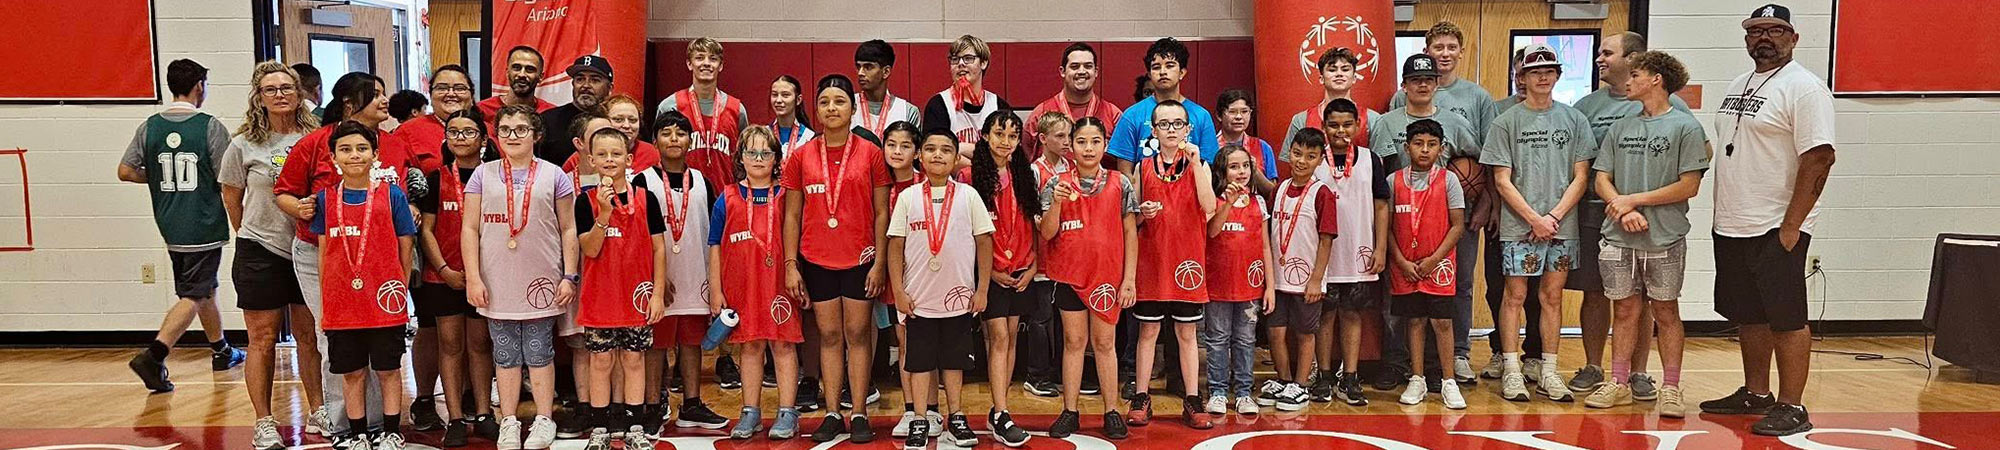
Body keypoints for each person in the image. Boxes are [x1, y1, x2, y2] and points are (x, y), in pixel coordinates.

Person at [1699, 4, 1837, 437]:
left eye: (1775, 31)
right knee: (1749, 314)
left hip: (1777, 225)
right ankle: (1756, 394)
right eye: (1756, 31)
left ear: (1793, 38)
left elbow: (1819, 157)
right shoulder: (1740, 83)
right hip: (1733, 222)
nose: (1764, 37)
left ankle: (1792, 405)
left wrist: (1793, 225)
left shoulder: (1805, 89)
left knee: (1787, 317)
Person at [274, 70, 418, 440]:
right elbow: (285, 193)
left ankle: (382, 427)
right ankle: (347, 426)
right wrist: (302, 208)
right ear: (351, 103)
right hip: (326, 253)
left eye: (385, 93)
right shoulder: (315, 143)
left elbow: (402, 200)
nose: (385, 100)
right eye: (376, 94)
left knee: (382, 351)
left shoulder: (395, 143)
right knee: (338, 341)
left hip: (381, 260)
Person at [1565, 32, 1693, 397]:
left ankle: (1640, 373)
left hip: (1655, 222)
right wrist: (1619, 206)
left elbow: (1694, 169)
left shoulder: (1678, 114)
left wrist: (1637, 202)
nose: (1599, 59)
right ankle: (1596, 367)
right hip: (1601, 215)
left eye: (1607, 53)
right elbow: (1595, 170)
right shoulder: (1589, 107)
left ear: (1635, 61)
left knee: (1651, 300)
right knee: (1599, 293)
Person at [118, 58, 245, 395]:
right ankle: (154, 354)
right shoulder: (209, 125)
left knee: (203, 289)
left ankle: (222, 351)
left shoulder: (150, 126)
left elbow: (126, 171)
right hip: (203, 222)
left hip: (170, 222)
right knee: (195, 293)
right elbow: (227, 178)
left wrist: (157, 179)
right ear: (200, 86)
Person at [1482, 43, 1595, 403]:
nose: (1543, 76)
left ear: (1558, 75)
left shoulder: (1574, 119)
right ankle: (1513, 370)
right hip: (1520, 227)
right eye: (1535, 71)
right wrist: (1533, 218)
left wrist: (1554, 216)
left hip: (1561, 227)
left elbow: (1581, 176)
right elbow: (1501, 179)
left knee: (1551, 297)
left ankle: (1548, 370)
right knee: (1514, 295)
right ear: (1523, 77)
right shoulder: (1505, 122)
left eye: (1549, 70)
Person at [783, 74, 893, 444]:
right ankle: (832, 411)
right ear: (815, 108)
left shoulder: (871, 153)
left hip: (861, 259)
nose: (832, 108)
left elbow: (882, 212)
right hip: (817, 260)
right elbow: (793, 215)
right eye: (825, 101)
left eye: (840, 101)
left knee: (858, 334)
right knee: (829, 336)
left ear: (852, 108)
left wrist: (879, 262)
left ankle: (858, 411)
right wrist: (790, 263)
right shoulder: (801, 155)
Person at [463, 105, 579, 450]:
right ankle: (509, 421)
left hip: (541, 279)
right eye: (506, 130)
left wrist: (568, 275)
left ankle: (544, 418)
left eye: (521, 129)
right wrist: (473, 277)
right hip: (497, 279)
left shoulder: (554, 175)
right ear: (496, 136)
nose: (513, 136)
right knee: (506, 352)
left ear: (536, 134)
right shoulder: (482, 175)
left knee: (540, 350)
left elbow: (568, 228)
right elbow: (470, 228)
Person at [220, 60, 322, 450]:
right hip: (260, 249)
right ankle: (264, 421)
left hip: (308, 249)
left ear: (300, 94)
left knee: (308, 335)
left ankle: (318, 409)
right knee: (261, 338)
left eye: (286, 88)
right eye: (271, 89)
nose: (280, 95)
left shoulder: (317, 137)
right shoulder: (243, 144)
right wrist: (250, 234)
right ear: (258, 97)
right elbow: (232, 198)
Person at [1370, 54, 1483, 390]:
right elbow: (1379, 174)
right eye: (1415, 79)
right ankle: (1397, 362)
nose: (1422, 85)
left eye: (1429, 79)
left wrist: (1484, 203)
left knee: (1445, 295)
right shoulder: (1386, 123)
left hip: (1441, 222)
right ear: (1403, 85)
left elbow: (1476, 165)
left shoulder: (1454, 122)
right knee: (1396, 299)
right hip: (1399, 220)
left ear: (1436, 84)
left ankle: (1438, 367)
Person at [310, 120, 420, 450]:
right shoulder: (325, 200)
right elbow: (324, 251)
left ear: (374, 155)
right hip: (343, 305)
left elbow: (406, 245)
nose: (354, 155)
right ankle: (356, 434)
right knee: (352, 373)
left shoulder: (392, 195)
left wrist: (398, 290)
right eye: (345, 149)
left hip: (384, 302)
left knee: (388, 370)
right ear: (333, 158)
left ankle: (391, 431)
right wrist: (326, 299)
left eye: (361, 148)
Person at [889, 129, 996, 449]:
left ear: (955, 159)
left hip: (959, 299)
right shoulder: (908, 197)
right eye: (931, 149)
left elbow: (984, 243)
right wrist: (898, 290)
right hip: (919, 299)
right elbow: (895, 246)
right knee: (920, 362)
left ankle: (957, 416)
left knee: (954, 361)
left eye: (946, 150)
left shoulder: (968, 195)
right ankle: (920, 418)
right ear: (919, 156)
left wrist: (982, 289)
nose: (938, 155)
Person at [1039, 117, 1137, 440]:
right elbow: (1048, 232)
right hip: (1070, 276)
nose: (1089, 148)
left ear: (1104, 144)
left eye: (1095, 141)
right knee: (1074, 342)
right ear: (1072, 146)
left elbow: (1130, 233)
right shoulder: (1057, 184)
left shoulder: (1120, 183)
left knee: (1105, 343)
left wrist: (1129, 279)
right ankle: (1070, 411)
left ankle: (1111, 411)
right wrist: (1055, 203)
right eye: (1081, 141)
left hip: (1108, 278)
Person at [574, 128, 669, 450]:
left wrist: (656, 294)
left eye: (616, 154)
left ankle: (636, 426)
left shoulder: (647, 198)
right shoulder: (584, 201)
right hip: (600, 297)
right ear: (591, 160)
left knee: (634, 360)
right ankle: (600, 427)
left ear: (628, 159)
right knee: (600, 363)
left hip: (637, 296)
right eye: (602, 154)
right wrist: (604, 213)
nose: (609, 160)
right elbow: (589, 249)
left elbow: (658, 248)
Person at [1127, 100, 1217, 429]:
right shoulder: (1143, 167)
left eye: (1178, 124)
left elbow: (1209, 208)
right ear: (1153, 131)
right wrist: (1143, 213)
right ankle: (1141, 394)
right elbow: (1133, 218)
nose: (1171, 130)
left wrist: (1194, 164)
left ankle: (1192, 397)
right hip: (1152, 259)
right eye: (1164, 125)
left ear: (1188, 129)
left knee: (1186, 332)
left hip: (1187, 261)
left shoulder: (1200, 164)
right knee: (1147, 331)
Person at [641, 111, 733, 432]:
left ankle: (692, 403)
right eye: (666, 133)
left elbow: (712, 235)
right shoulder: (643, 181)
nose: (673, 139)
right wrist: (653, 277)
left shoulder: (703, 183)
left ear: (690, 141)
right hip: (660, 280)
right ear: (655, 141)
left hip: (696, 276)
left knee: (692, 342)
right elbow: (639, 236)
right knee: (657, 345)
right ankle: (652, 404)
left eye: (680, 134)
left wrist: (715, 279)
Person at [415, 108, 500, 445]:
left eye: (468, 132)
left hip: (486, 277)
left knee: (480, 344)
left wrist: (480, 273)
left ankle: (483, 412)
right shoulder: (436, 179)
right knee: (450, 345)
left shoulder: (494, 178)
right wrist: (446, 270)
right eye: (453, 132)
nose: (460, 138)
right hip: (445, 277)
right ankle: (454, 418)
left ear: (482, 139)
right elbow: (427, 231)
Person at [717, 126, 806, 440]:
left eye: (765, 153)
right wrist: (716, 289)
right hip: (743, 285)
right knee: (751, 345)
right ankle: (750, 411)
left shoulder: (785, 195)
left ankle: (787, 412)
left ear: (776, 158)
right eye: (751, 152)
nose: (758, 158)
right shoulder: (726, 197)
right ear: (740, 156)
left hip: (779, 284)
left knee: (782, 345)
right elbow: (714, 244)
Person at [401, 65, 476, 435]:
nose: (451, 93)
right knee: (432, 330)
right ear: (430, 92)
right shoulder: (409, 132)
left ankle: (473, 405)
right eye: (443, 87)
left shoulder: (487, 133)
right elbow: (393, 178)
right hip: (428, 253)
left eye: (459, 87)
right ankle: (427, 400)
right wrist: (409, 204)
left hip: (476, 260)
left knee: (476, 338)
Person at [1306, 99, 1389, 406]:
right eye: (1333, 125)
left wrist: (1380, 247)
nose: (1340, 131)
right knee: (1324, 315)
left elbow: (1382, 205)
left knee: (1352, 314)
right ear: (1324, 127)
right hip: (1323, 254)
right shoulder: (1315, 159)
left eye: (1346, 125)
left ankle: (1350, 377)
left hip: (1359, 250)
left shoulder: (1370, 159)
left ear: (1358, 126)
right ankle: (1324, 376)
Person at [964, 113, 1039, 446]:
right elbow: (965, 234)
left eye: (1012, 135)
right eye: (999, 133)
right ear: (984, 135)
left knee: (1009, 336)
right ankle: (1002, 411)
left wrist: (1034, 267)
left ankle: (1000, 408)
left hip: (1022, 269)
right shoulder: (969, 177)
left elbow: (1032, 224)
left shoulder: (1024, 175)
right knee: (996, 337)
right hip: (990, 272)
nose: (1006, 141)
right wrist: (988, 272)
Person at [1386, 119, 1468, 410]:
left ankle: (1449, 381)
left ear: (1441, 148)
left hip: (1439, 265)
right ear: (1407, 147)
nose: (1424, 150)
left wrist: (1435, 259)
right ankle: (1417, 377)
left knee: (1443, 323)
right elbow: (1386, 228)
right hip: (1405, 265)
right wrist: (1400, 260)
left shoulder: (1449, 180)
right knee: (1415, 321)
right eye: (1418, 144)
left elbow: (1458, 226)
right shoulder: (1393, 181)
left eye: (1431, 144)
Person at [1263, 129, 1339, 412]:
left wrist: (1316, 280)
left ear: (1320, 159)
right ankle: (1284, 380)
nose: (1302, 161)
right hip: (1278, 279)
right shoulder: (1279, 189)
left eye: (1310, 156)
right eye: (1297, 153)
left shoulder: (1322, 193)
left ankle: (1301, 385)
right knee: (1275, 333)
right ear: (1289, 153)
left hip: (1307, 279)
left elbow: (1326, 239)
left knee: (1305, 334)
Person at [1200, 144, 1275, 417]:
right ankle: (1218, 391)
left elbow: (1266, 246)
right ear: (1222, 171)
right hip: (1218, 284)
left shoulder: (1260, 203)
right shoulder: (1214, 200)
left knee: (1245, 339)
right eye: (1234, 166)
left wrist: (1270, 286)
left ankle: (1244, 392)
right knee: (1217, 339)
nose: (1241, 171)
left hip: (1250, 286)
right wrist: (1228, 203)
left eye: (1245, 166)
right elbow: (1212, 232)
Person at [1020, 113, 1079, 399]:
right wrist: (1030, 258)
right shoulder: (1033, 172)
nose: (1066, 141)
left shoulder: (1075, 169)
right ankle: (1036, 374)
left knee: (1062, 319)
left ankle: (1059, 371)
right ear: (1042, 139)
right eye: (1060, 136)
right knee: (1040, 318)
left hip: (1068, 259)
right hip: (1042, 259)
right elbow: (1030, 219)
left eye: (1069, 136)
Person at [1110, 38, 1219, 171]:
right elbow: (1125, 173)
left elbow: (1208, 169)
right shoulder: (1131, 115)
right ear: (1149, 74)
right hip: (1144, 190)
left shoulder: (1201, 116)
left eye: (1170, 65)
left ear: (1182, 72)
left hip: (1189, 190)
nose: (1162, 72)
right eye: (1156, 67)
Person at [660, 37, 751, 193]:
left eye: (713, 59)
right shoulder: (670, 106)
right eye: (700, 57)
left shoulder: (737, 109)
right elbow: (660, 156)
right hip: (681, 196)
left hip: (725, 196)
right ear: (689, 64)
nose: (706, 63)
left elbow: (745, 158)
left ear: (720, 65)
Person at [1390, 21, 1498, 145]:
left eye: (1452, 48)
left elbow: (1491, 147)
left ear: (1461, 52)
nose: (1445, 54)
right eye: (1438, 48)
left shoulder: (1479, 97)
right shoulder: (1403, 96)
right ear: (1426, 51)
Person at [1281, 48, 1375, 178]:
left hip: (1359, 191)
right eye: (1332, 69)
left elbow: (1380, 166)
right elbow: (1290, 164)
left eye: (1345, 69)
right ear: (1321, 78)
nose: (1339, 74)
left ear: (1354, 78)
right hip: (1312, 193)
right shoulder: (1301, 120)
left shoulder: (1373, 119)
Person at [923, 35, 1013, 156]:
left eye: (968, 58)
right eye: (955, 59)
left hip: (994, 175)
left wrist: (961, 148)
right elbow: (939, 155)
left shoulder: (999, 106)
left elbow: (1008, 154)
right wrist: (988, 153)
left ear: (983, 63)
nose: (960, 63)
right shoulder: (938, 104)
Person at [1026, 42, 1123, 147]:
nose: (1081, 71)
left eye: (1088, 66)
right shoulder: (1041, 113)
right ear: (1062, 71)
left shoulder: (1113, 115)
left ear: (1096, 72)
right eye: (1075, 66)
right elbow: (1028, 153)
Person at [538, 55, 615, 165]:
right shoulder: (548, 120)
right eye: (580, 79)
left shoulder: (619, 121)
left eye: (594, 80)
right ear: (573, 84)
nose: (586, 85)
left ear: (610, 88)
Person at [478, 46, 557, 132]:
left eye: (530, 69)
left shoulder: (551, 113)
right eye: (516, 67)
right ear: (507, 72)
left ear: (540, 77)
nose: (522, 74)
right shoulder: (483, 111)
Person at [854, 40, 923, 140]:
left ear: (886, 72)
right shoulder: (846, 106)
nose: (860, 73)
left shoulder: (908, 111)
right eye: (858, 67)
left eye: (868, 67)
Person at [1214, 89, 1278, 180]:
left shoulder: (1263, 147)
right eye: (1232, 112)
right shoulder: (1209, 146)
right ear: (1219, 115)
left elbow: (1272, 192)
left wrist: (1255, 171)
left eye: (1244, 111)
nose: (1239, 117)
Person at [771, 75, 817, 153]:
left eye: (785, 95)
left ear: (798, 100)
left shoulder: (809, 137)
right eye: (775, 95)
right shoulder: (764, 134)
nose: (778, 100)